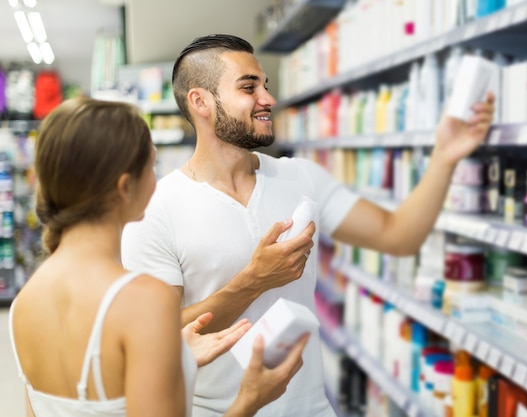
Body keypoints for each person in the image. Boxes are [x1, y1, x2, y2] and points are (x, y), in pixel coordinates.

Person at [121, 34, 495, 417]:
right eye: (249, 87)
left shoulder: (300, 178)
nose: (268, 98)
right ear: (200, 101)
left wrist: (445, 155)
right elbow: (156, 338)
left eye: (265, 85)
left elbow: (398, 235)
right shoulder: (156, 208)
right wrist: (254, 280)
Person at [8, 97, 310, 417]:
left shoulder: (24, 302)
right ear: (125, 187)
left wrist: (170, 354)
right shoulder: (142, 300)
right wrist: (251, 399)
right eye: (151, 166)